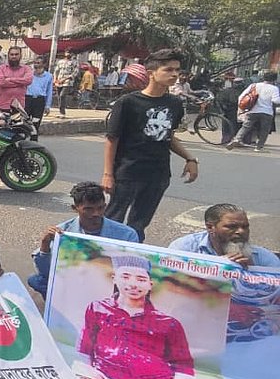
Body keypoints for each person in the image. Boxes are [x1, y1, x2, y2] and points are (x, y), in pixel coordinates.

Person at [103, 48, 198, 242]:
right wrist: (108, 174)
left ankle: (131, 262)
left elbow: (167, 136)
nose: (174, 74)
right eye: (168, 70)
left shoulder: (174, 103)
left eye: (177, 70)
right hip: (128, 172)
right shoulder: (128, 103)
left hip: (158, 174)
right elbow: (112, 139)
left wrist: (190, 158)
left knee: (139, 224)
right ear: (151, 73)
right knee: (113, 221)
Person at [78, 254, 194, 379]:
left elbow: (185, 366)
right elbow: (84, 349)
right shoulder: (97, 309)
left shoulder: (169, 323)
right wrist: (92, 373)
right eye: (125, 277)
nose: (133, 284)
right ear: (114, 278)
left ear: (150, 284)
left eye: (141, 279)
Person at [27, 182, 139, 295]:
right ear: (75, 208)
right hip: (74, 282)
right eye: (89, 209)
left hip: (109, 283)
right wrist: (45, 244)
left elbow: (133, 270)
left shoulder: (127, 234)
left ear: (105, 206)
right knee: (36, 280)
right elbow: (45, 272)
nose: (96, 213)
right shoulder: (62, 232)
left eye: (100, 208)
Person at [168, 204, 280, 268]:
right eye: (232, 227)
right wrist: (217, 267)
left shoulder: (262, 258)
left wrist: (252, 271)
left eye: (245, 227)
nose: (241, 231)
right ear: (210, 227)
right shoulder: (184, 248)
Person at [228, 70, 279, 152]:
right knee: (264, 130)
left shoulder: (254, 85)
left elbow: (242, 96)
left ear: (263, 77)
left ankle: (237, 139)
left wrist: (242, 108)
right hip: (267, 112)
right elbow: (276, 101)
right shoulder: (274, 88)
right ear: (274, 79)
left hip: (252, 111)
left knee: (246, 126)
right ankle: (259, 147)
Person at [0, 46, 33, 111]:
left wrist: (9, 79)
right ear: (8, 56)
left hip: (19, 107)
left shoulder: (26, 68)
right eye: (12, 54)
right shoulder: (1, 68)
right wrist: (20, 83)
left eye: (16, 54)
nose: (14, 56)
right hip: (2, 105)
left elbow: (28, 81)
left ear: (20, 55)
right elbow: (0, 82)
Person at [25, 57, 54, 129]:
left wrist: (47, 106)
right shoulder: (29, 74)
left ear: (44, 64)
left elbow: (49, 91)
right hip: (28, 99)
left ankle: (33, 139)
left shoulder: (48, 76)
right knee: (25, 121)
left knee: (36, 122)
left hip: (39, 101)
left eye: (38, 63)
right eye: (35, 63)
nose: (36, 65)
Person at [53, 52, 78, 116]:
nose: (68, 54)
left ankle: (62, 112)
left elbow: (75, 73)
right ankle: (60, 111)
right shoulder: (60, 62)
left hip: (67, 82)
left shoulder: (74, 62)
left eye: (70, 53)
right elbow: (56, 71)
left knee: (62, 95)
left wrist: (64, 79)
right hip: (59, 81)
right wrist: (55, 79)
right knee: (59, 96)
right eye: (67, 52)